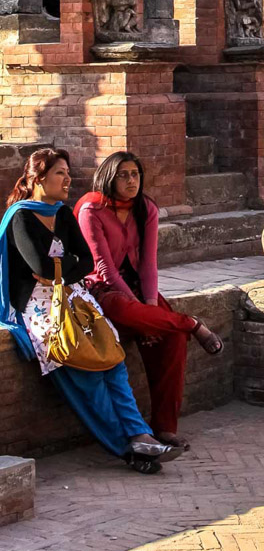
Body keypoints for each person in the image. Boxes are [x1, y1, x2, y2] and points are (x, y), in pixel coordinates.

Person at [0, 149, 177, 474]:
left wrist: (58, 268)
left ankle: (141, 434)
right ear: (37, 179)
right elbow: (40, 267)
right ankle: (129, 450)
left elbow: (84, 264)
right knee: (86, 377)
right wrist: (63, 266)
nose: (68, 180)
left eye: (67, 173)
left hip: (76, 297)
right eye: (60, 174)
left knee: (112, 361)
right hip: (41, 307)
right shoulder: (21, 218)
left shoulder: (62, 214)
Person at [75, 152, 223, 451]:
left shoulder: (146, 208)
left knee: (173, 339)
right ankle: (194, 323)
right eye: (123, 175)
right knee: (139, 313)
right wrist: (140, 310)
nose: (131, 181)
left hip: (138, 291)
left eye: (135, 174)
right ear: (109, 177)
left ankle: (165, 428)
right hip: (101, 291)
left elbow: (148, 265)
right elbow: (104, 268)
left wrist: (150, 308)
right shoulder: (91, 209)